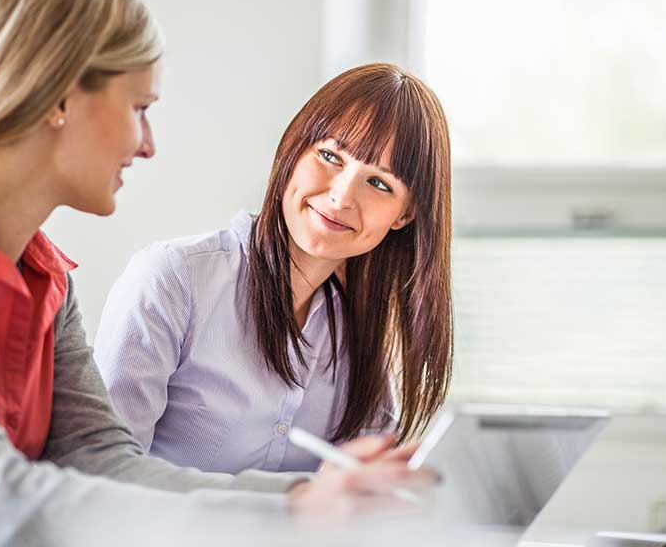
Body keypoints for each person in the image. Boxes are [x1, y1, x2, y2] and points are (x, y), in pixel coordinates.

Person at [0, 0, 437, 547]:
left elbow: (102, 460)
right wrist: (288, 518)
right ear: (59, 99)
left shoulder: (47, 279)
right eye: (139, 109)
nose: (148, 144)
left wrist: (302, 501)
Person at [94, 63, 453, 474]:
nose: (340, 197)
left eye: (379, 184)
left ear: (404, 216)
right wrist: (298, 500)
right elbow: (110, 477)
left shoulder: (366, 343)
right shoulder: (174, 280)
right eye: (330, 156)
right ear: (293, 149)